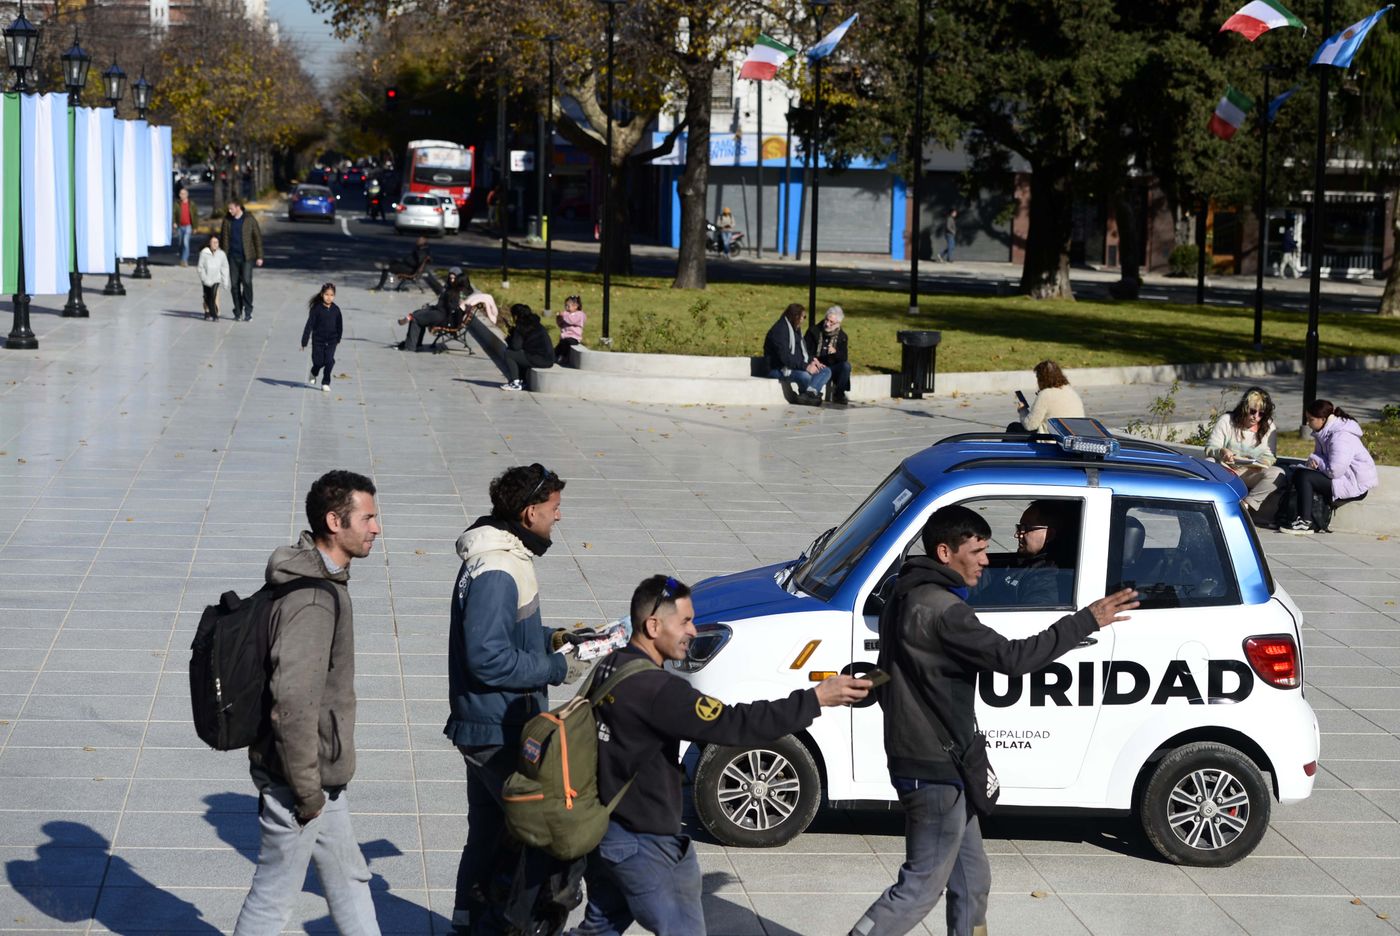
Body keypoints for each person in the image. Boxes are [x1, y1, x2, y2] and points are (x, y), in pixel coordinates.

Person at [846, 505, 1137, 936]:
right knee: (921, 887)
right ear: (945, 552)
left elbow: (887, 669)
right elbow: (1013, 659)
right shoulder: (946, 611)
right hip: (935, 767)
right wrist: (1085, 620)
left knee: (971, 879)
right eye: (977, 550)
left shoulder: (902, 594)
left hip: (937, 761)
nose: (986, 559)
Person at [571, 575, 870, 936]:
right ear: (653, 626)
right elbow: (733, 725)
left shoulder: (612, 665)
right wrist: (816, 699)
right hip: (643, 844)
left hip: (605, 833)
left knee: (600, 927)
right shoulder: (658, 690)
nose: (693, 631)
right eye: (684, 621)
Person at [232, 470, 382, 936]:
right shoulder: (314, 601)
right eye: (368, 518)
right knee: (274, 896)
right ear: (335, 522)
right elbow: (292, 703)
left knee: (350, 876)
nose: (376, 528)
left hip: (320, 772)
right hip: (300, 778)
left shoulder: (320, 577)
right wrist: (306, 792)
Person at [446, 464, 588, 934]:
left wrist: (555, 638)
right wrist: (555, 669)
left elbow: (508, 634)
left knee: (486, 835)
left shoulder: (502, 555)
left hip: (486, 724)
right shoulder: (498, 568)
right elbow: (486, 656)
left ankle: (467, 923)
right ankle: (516, 925)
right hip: (496, 729)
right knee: (542, 832)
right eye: (554, 509)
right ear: (529, 513)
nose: (559, 517)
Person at [1282, 399, 1380, 535]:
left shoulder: (1341, 437)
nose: (1308, 423)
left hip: (1354, 485)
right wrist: (1313, 461)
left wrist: (1316, 460)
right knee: (1299, 472)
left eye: (1310, 420)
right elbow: (1320, 458)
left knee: (1304, 476)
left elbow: (1334, 471)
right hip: (1344, 479)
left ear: (1322, 419)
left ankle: (1305, 522)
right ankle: (1298, 518)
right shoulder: (1324, 432)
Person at [1204, 387, 1285, 521]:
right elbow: (1210, 447)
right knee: (1208, 463)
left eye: (1261, 413)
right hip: (1226, 468)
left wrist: (1263, 464)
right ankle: (1208, 502)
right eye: (1252, 411)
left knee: (1278, 474)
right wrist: (1222, 451)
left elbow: (1270, 455)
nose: (1256, 416)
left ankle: (1245, 505)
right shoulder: (1227, 420)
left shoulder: (1268, 426)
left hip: (1250, 471)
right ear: (1244, 408)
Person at [764, 302, 831, 406]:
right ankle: (812, 395)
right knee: (805, 376)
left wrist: (812, 360)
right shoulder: (780, 330)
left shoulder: (795, 330)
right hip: (778, 369)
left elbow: (801, 353)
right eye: (803, 317)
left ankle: (808, 394)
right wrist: (806, 367)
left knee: (826, 371)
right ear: (796, 316)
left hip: (793, 366)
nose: (804, 319)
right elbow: (785, 358)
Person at [396, 267, 468, 351]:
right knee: (418, 312)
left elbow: (452, 307)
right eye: (450, 278)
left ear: (458, 278)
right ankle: (415, 343)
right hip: (439, 312)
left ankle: (410, 346)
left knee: (416, 319)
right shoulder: (450, 288)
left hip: (443, 316)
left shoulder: (457, 290)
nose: (452, 280)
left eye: (454, 278)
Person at [218, 199, 264, 322]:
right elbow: (223, 239)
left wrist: (259, 256)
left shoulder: (249, 220)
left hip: (247, 257)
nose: (229, 211)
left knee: (247, 282)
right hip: (232, 257)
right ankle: (237, 311)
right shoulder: (227, 221)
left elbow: (257, 238)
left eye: (231, 208)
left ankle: (248, 310)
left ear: (238, 207)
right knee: (234, 285)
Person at [1008, 359, 1085, 433]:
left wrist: (1022, 410)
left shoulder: (1045, 394)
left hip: (1053, 439)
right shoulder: (1070, 391)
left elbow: (1030, 425)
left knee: (1013, 427)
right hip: (1073, 435)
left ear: (1042, 379)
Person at [501, 304, 554, 391]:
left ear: (516, 315)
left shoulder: (521, 326)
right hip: (548, 358)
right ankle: (522, 381)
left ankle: (516, 383)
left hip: (540, 359)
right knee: (521, 354)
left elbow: (516, 346)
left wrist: (510, 337)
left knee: (509, 353)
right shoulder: (536, 323)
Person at [302, 283, 344, 393]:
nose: (329, 297)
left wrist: (338, 338)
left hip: (332, 340)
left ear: (334, 296)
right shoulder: (316, 309)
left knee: (329, 361)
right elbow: (309, 325)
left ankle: (325, 382)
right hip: (318, 340)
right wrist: (304, 341)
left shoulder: (336, 310)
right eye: (326, 294)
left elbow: (340, 325)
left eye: (331, 295)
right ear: (322, 294)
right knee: (318, 362)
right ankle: (314, 372)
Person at [805, 304, 851, 405]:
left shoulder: (842, 336)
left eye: (831, 322)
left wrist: (835, 352)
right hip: (817, 365)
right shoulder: (814, 331)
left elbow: (844, 357)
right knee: (826, 370)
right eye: (826, 320)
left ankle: (839, 394)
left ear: (838, 323)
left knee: (846, 366)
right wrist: (813, 359)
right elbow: (804, 350)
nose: (827, 324)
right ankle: (813, 393)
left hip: (832, 366)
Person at [197, 234, 230, 321]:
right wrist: (204, 278)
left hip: (216, 278)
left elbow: (225, 268)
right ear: (209, 243)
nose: (215, 244)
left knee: (214, 295)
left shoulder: (221, 254)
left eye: (217, 242)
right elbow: (200, 267)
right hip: (206, 279)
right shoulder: (204, 253)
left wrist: (225, 281)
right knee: (207, 296)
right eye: (213, 242)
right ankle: (207, 311)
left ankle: (215, 314)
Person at [554, 295, 587, 365]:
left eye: (568, 306)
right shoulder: (567, 315)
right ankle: (554, 357)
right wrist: (559, 318)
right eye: (565, 306)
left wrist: (564, 315)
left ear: (576, 306)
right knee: (559, 347)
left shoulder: (580, 314)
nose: (566, 308)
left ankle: (564, 358)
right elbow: (561, 325)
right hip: (564, 337)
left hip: (574, 337)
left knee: (567, 344)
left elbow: (572, 321)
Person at [173, 187, 198, 267]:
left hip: (188, 226)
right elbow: (174, 213)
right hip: (180, 226)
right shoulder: (177, 204)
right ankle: (181, 258)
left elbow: (195, 216)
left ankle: (184, 260)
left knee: (185, 242)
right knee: (180, 243)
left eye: (183, 194)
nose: (181, 195)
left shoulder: (191, 204)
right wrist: (174, 222)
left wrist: (195, 227)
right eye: (180, 194)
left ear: (187, 195)